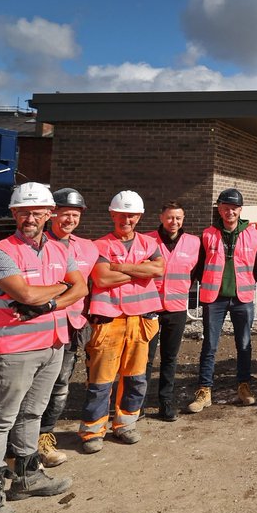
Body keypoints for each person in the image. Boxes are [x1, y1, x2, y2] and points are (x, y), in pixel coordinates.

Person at [0, 183, 86, 513]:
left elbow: (80, 287)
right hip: (14, 349)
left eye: (37, 212)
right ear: (14, 214)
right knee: (1, 419)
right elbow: (21, 292)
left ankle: (27, 477)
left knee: (34, 412)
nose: (30, 218)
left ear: (49, 213)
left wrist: (49, 300)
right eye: (23, 212)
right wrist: (59, 289)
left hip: (52, 343)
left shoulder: (58, 249)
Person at [80, 190, 164, 453]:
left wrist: (118, 267)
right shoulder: (99, 246)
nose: (126, 219)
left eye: (131, 215)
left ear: (139, 216)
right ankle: (93, 430)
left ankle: (125, 424)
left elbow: (159, 269)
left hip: (141, 320)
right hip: (109, 320)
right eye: (121, 215)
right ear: (112, 215)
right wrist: (141, 271)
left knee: (136, 377)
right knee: (101, 380)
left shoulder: (149, 243)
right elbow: (102, 279)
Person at [32, 187, 98, 467]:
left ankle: (43, 437)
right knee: (35, 386)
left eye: (75, 214)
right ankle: (23, 440)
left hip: (73, 325)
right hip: (41, 326)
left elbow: (94, 284)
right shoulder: (36, 245)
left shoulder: (87, 248)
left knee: (60, 385)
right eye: (64, 214)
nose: (69, 219)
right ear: (51, 214)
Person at [188, 187, 257, 413]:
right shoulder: (208, 234)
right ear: (219, 209)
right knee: (209, 345)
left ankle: (244, 385)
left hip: (242, 298)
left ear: (240, 210)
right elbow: (200, 266)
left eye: (234, 208)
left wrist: (244, 281)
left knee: (244, 344)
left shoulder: (252, 234)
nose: (230, 212)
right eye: (225, 208)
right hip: (215, 298)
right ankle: (204, 390)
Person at [145, 202, 202, 421]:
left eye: (178, 218)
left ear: (183, 219)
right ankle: (137, 403)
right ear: (161, 217)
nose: (174, 222)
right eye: (170, 217)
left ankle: (165, 402)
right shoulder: (148, 241)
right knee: (145, 358)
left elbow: (195, 271)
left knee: (170, 357)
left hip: (176, 308)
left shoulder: (193, 243)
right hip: (150, 306)